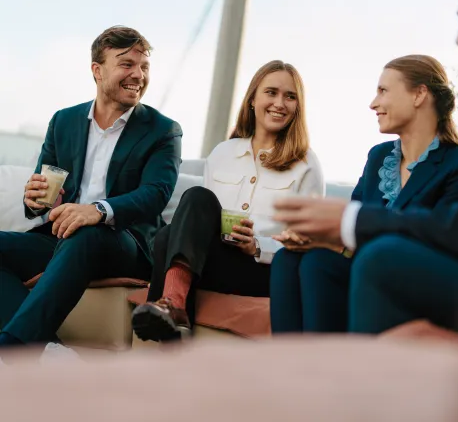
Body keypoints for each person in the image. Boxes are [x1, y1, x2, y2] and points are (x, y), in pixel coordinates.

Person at [273, 0, 458, 335]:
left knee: (378, 260)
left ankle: (341, 380)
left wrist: (347, 222)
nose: (457, 39)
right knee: (297, 259)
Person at [270, 55, 458, 333]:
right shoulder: (378, 156)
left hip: (405, 285)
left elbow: (441, 243)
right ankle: (286, 368)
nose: (374, 103)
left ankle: (322, 369)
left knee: (317, 263)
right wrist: (318, 237)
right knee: (288, 259)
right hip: (359, 270)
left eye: (383, 91)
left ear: (419, 94)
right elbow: (350, 223)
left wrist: (336, 244)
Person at [0, 26, 182, 354]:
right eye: (127, 64)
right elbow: (44, 196)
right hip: (60, 238)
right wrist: (35, 199)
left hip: (125, 245)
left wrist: (96, 211)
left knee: (86, 233)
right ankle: (46, 349)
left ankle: (12, 347)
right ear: (97, 70)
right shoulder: (64, 121)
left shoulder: (163, 130)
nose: (138, 75)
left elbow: (156, 193)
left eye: (144, 67)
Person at [132, 60, 324, 342]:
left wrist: (258, 246)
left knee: (166, 238)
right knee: (176, 224)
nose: (279, 103)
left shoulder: (306, 164)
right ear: (253, 99)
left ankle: (170, 310)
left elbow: (307, 241)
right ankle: (173, 311)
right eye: (271, 92)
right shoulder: (223, 152)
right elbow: (201, 217)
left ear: (298, 107)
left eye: (290, 96)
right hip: (215, 260)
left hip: (262, 271)